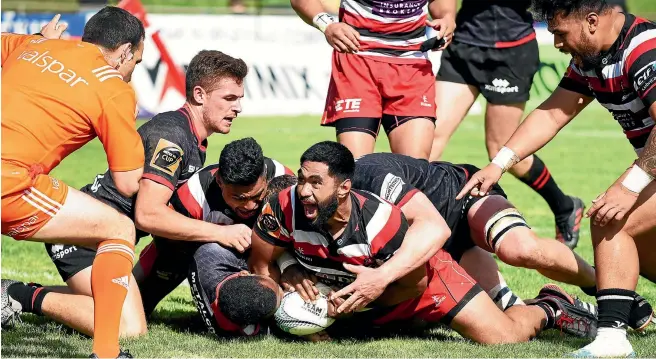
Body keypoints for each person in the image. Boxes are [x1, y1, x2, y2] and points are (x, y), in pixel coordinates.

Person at [2, 50, 248, 342]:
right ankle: (16, 293)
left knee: (135, 307)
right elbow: (149, 214)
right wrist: (221, 233)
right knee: (128, 328)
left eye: (240, 99)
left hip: (108, 238)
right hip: (83, 237)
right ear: (199, 94)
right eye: (230, 98)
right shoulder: (172, 137)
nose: (238, 108)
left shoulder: (194, 137)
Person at [249, 141, 598, 344]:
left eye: (314, 183)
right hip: (416, 241)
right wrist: (288, 266)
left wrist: (376, 283)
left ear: (345, 186)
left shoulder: (378, 204)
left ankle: (595, 288)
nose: (304, 193)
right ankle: (529, 304)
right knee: (500, 313)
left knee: (519, 253)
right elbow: (264, 255)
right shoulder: (293, 204)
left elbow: (432, 231)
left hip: (460, 200)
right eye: (301, 181)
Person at [458, 0, 656, 356]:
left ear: (591, 21)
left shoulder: (644, 49)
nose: (558, 44)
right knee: (640, 248)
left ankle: (611, 340)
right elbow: (551, 114)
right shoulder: (591, 59)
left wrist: (629, 187)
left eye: (560, 33)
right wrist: (498, 163)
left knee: (614, 219)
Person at [1, 6, 146, 358]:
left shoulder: (34, 46)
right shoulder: (114, 89)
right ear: (124, 51)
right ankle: (107, 353)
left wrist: (39, 40)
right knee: (119, 228)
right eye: (136, 63)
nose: (130, 73)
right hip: (9, 183)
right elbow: (127, 184)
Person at [430, 0, 584, 248]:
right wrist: (446, 15)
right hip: (463, 47)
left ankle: (564, 206)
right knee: (430, 134)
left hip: (510, 52)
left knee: (502, 151)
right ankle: (412, 222)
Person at [133, 137, 294, 323]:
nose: (250, 206)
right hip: (193, 252)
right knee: (133, 310)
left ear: (265, 177)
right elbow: (161, 230)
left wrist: (288, 265)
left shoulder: (283, 181)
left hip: (271, 255)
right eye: (239, 198)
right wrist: (220, 233)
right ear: (219, 181)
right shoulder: (195, 194)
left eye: (257, 196)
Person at [290, 0, 457, 160]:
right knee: (357, 169)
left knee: (414, 170)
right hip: (357, 62)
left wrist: (447, 17)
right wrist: (327, 24)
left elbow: (442, 6)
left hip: (412, 67)